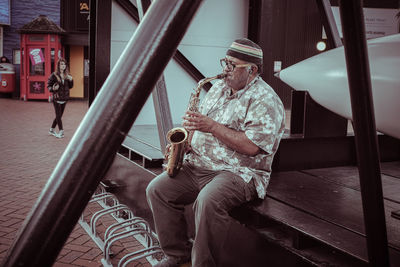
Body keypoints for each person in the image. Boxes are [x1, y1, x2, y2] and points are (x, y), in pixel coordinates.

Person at [146, 38, 286, 267]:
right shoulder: (218, 88)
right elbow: (199, 126)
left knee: (208, 200)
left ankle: (203, 264)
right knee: (157, 189)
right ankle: (177, 254)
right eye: (225, 62)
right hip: (199, 164)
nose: (225, 70)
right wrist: (186, 144)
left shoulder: (266, 99)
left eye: (232, 65)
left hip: (239, 172)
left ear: (252, 70)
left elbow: (252, 147)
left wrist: (210, 126)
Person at [47, 58, 73, 138]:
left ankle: (51, 130)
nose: (63, 66)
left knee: (59, 116)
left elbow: (71, 87)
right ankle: (61, 131)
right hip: (57, 98)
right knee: (58, 115)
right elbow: (48, 86)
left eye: (64, 64)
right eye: (61, 64)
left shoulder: (67, 75)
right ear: (58, 65)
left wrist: (71, 80)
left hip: (64, 98)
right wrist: (53, 89)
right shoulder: (54, 75)